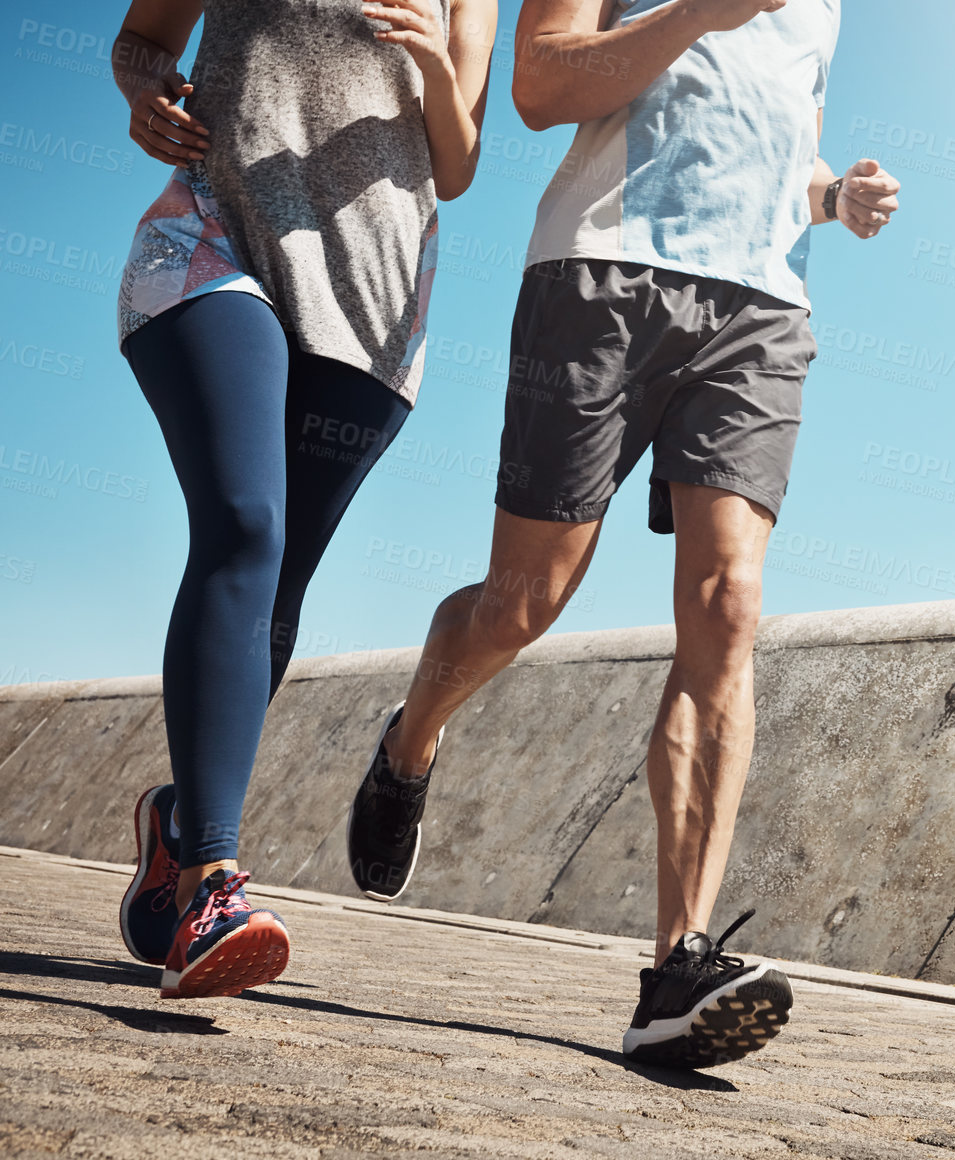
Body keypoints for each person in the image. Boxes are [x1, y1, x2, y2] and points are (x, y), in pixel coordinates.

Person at [346, 0, 900, 1067]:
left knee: (727, 604)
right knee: (526, 599)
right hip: (600, 271)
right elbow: (543, 85)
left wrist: (831, 195)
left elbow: (754, 130)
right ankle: (409, 737)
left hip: (761, 307)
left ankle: (676, 965)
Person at [112, 0, 496, 1000]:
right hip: (212, 237)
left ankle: (182, 821)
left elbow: (458, 164)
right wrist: (143, 90)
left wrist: (439, 72)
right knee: (243, 522)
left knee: (276, 588)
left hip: (369, 297)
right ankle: (213, 883)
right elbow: (143, 35)